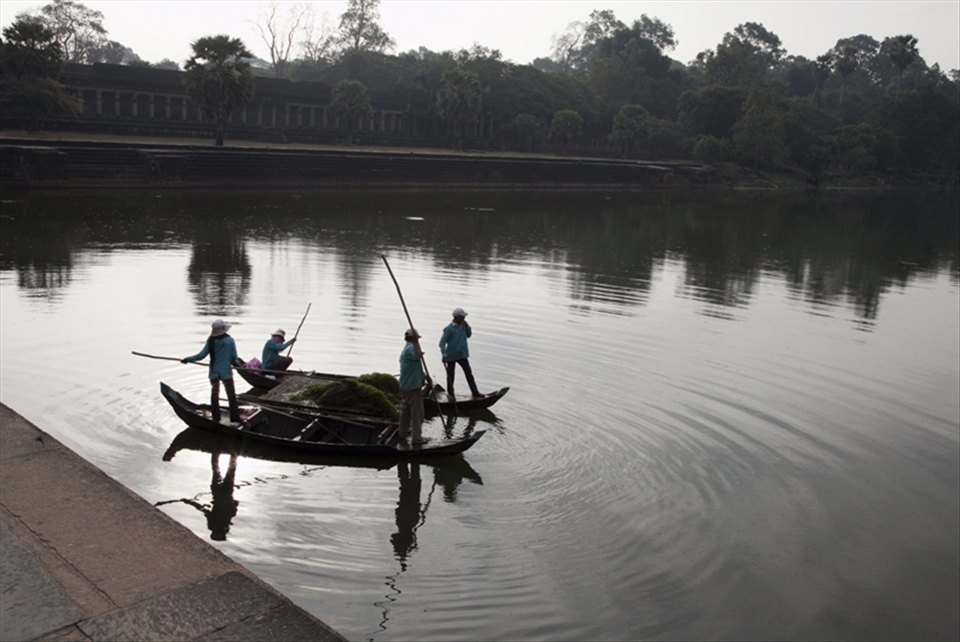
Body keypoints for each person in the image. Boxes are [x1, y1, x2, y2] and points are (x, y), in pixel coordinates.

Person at [182, 319, 244, 424]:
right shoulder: (229, 340)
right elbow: (234, 357)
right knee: (231, 395)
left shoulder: (211, 340)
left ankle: (216, 417)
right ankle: (235, 418)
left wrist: (187, 359)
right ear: (223, 329)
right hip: (226, 372)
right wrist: (236, 364)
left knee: (214, 394)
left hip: (214, 372)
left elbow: (200, 356)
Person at [439, 307, 482, 398]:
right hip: (451, 355)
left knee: (468, 373)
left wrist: (467, 327)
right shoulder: (449, 328)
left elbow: (469, 335)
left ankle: (475, 392)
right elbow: (442, 342)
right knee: (451, 375)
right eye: (462, 317)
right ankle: (450, 394)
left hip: (462, 354)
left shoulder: (463, 327)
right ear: (457, 317)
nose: (464, 318)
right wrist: (444, 354)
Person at [398, 328, 430, 446]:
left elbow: (414, 367)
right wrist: (416, 342)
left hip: (406, 386)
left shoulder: (406, 348)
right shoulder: (411, 348)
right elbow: (416, 357)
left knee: (405, 413)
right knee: (418, 414)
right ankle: (416, 438)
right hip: (412, 387)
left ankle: (401, 435)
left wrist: (425, 377)